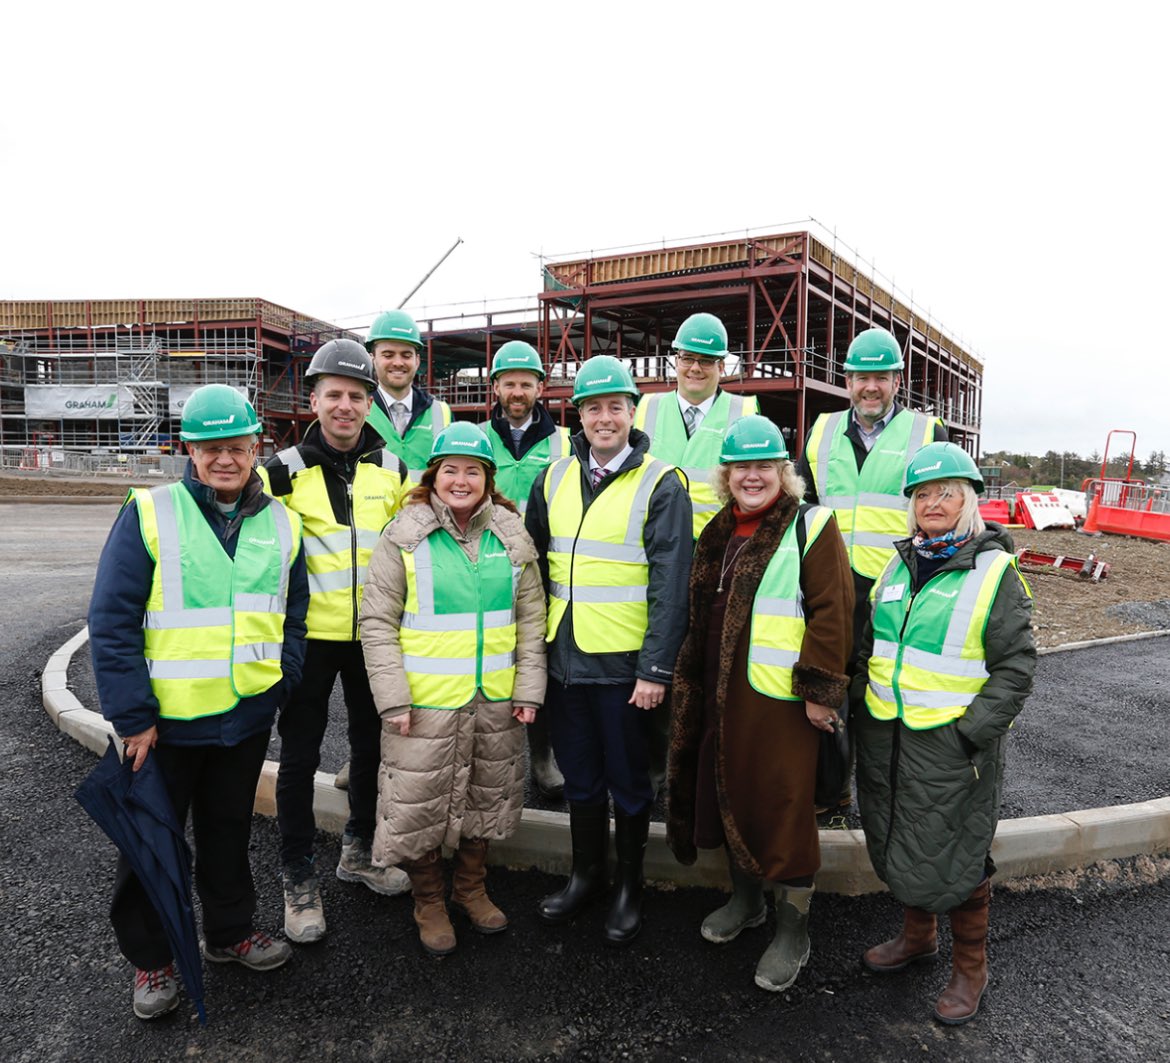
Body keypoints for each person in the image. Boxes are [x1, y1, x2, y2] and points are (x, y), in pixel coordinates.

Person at [88, 384, 309, 1020]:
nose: (225, 460)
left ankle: (230, 933)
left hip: (242, 718)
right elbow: (113, 616)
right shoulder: (151, 512)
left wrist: (283, 678)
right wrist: (131, 717)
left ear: (257, 448)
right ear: (190, 449)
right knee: (151, 843)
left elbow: (292, 611)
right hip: (162, 726)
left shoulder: (279, 521)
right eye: (211, 448)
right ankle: (153, 960)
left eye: (236, 448)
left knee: (228, 832)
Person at [666, 415, 854, 992]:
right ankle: (746, 902)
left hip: (781, 704)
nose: (752, 476)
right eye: (741, 467)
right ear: (726, 476)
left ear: (783, 472)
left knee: (784, 807)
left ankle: (793, 929)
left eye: (764, 466)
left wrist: (820, 695)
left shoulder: (810, 526)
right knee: (727, 793)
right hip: (720, 700)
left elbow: (834, 613)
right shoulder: (718, 531)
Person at [852, 442, 1035, 1025]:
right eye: (923, 494)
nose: (934, 503)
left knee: (959, 851)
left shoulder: (995, 571)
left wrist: (970, 734)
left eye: (946, 492)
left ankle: (970, 968)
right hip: (888, 736)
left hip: (952, 744)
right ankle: (917, 937)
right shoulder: (897, 563)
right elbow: (871, 647)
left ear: (969, 500)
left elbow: (1017, 666)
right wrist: (860, 702)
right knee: (900, 837)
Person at [358, 422, 547, 956]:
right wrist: (392, 697)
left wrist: (529, 689)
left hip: (496, 698)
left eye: (473, 471)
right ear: (433, 475)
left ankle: (470, 888)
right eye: (450, 470)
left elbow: (532, 618)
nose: (461, 480)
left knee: (484, 796)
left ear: (488, 479)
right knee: (420, 802)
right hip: (424, 703)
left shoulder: (510, 535)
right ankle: (429, 900)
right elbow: (376, 622)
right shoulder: (405, 535)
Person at [525, 356, 692, 946]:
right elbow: (534, 573)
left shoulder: (661, 482)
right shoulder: (553, 478)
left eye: (614, 407)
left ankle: (628, 886)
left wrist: (655, 668)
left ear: (631, 412)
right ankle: (585, 875)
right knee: (580, 776)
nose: (604, 418)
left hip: (625, 665)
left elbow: (671, 584)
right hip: (564, 657)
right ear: (579, 415)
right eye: (592, 408)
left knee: (629, 781)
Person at [258, 339, 410, 947]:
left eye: (356, 396)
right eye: (334, 395)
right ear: (314, 399)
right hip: (310, 641)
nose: (345, 407)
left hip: (372, 636)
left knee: (372, 749)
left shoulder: (394, 471)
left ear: (370, 401)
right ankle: (298, 877)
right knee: (299, 757)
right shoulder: (282, 473)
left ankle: (360, 850)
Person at [795, 326, 947, 810]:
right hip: (832, 587)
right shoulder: (821, 432)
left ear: (898, 381)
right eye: (862, 377)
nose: (871, 387)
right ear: (847, 380)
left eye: (881, 377)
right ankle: (832, 793)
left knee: (882, 692)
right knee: (829, 690)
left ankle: (887, 798)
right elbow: (802, 505)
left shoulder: (927, 433)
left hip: (897, 588)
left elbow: (943, 507)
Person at [480, 339, 571, 801]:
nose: (518, 391)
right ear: (496, 387)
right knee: (488, 657)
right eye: (509, 383)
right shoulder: (477, 438)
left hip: (540, 567)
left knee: (539, 660)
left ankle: (541, 756)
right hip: (483, 566)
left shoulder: (563, 442)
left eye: (526, 383)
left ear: (540, 387)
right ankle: (489, 755)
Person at [634, 312, 760, 541]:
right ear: (676, 361)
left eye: (706, 360)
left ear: (721, 366)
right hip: (654, 546)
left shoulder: (745, 414)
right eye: (688, 358)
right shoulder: (645, 409)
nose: (695, 368)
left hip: (719, 550)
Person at [364, 309, 453, 483]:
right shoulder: (358, 410)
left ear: (417, 360)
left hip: (426, 510)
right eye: (388, 355)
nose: (398, 362)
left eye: (406, 355)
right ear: (372, 358)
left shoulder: (441, 413)